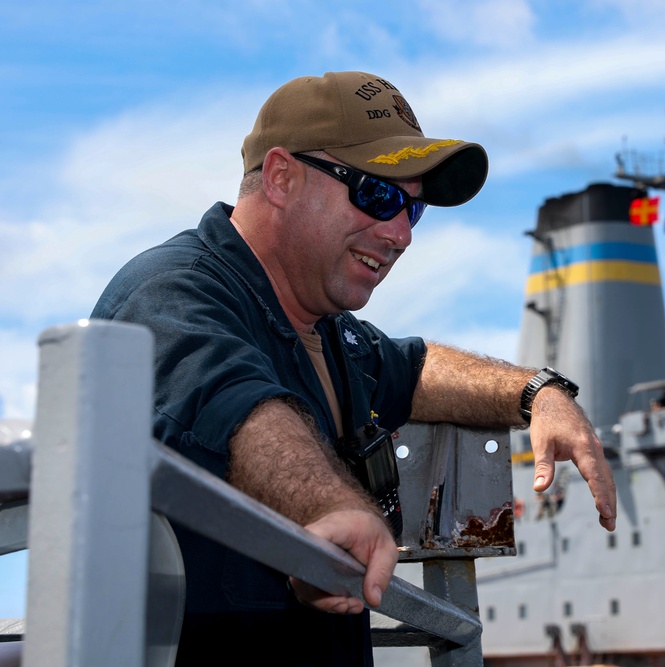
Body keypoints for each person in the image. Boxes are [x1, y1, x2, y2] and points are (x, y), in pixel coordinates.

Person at [91, 71, 616, 665]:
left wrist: (538, 392)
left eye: (412, 211)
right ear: (282, 177)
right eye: (378, 194)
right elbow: (243, 410)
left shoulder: (328, 334)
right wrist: (330, 510)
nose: (399, 234)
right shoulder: (170, 294)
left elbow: (414, 368)